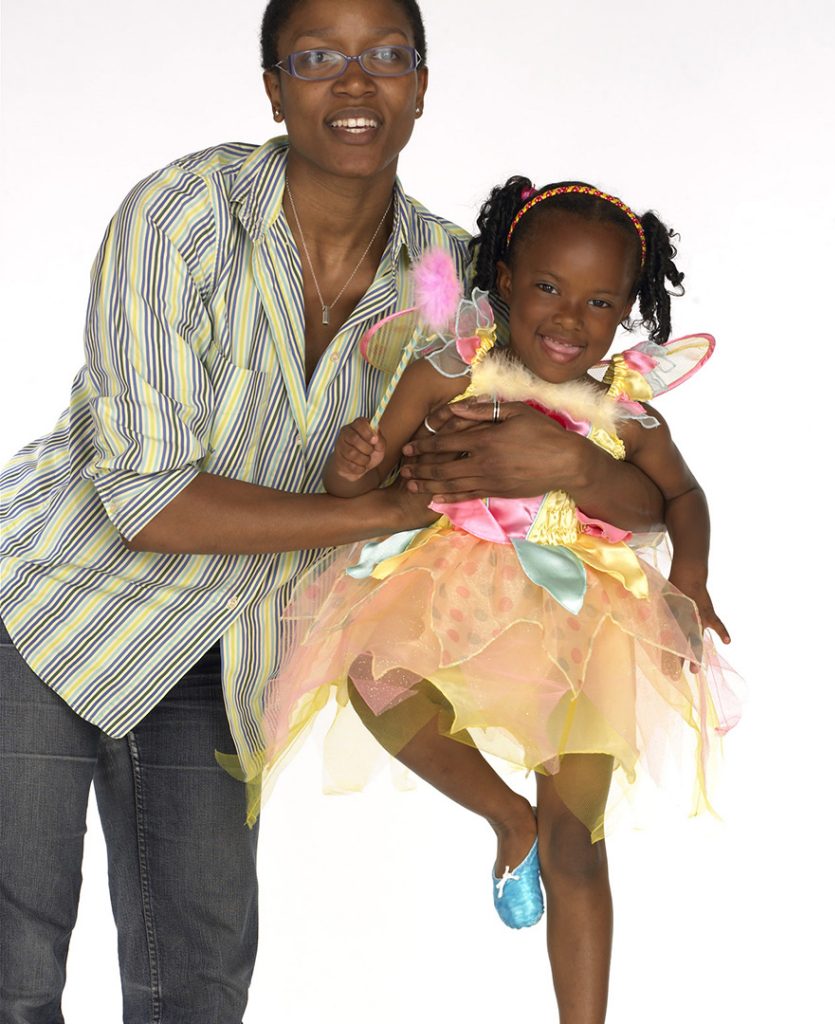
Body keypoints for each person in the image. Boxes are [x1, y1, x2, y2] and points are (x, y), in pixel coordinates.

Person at [0, 3, 669, 1022]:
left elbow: (649, 498)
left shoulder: (465, 287)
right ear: (272, 84)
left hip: (231, 656)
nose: (354, 84)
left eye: (384, 57)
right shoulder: (181, 214)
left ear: (422, 81)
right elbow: (145, 500)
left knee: (198, 986)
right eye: (316, 58)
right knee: (12, 967)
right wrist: (384, 508)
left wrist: (563, 463)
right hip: (49, 612)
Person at [259, 176, 742, 1024]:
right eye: (548, 287)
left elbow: (684, 499)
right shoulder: (453, 368)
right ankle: (502, 816)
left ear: (628, 310)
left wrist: (691, 578)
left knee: (579, 837)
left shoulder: (621, 415)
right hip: (455, 595)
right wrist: (353, 462)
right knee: (373, 677)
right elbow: (372, 473)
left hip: (584, 628)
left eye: (599, 302)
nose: (568, 318)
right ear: (507, 280)